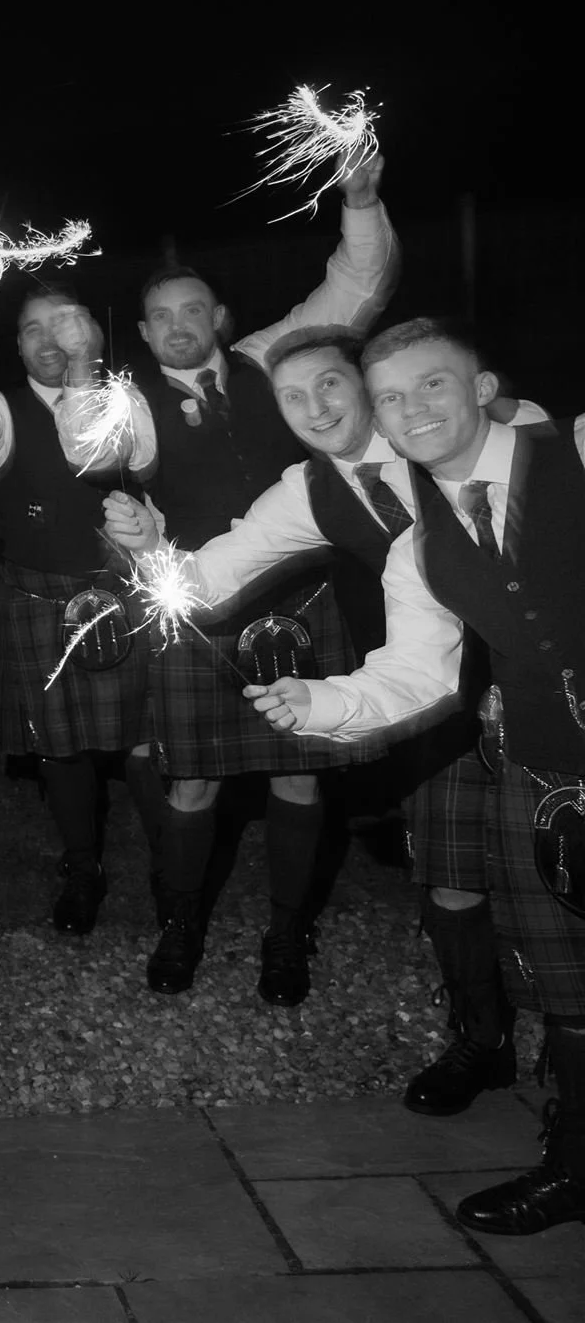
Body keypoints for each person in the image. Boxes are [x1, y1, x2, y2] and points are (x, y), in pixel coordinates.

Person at [105, 329, 547, 1089]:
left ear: (367, 386)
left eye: (332, 385)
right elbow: (207, 580)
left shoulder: (477, 438)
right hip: (431, 686)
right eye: (293, 397)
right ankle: (484, 1038)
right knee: (450, 871)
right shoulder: (307, 489)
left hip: (549, 679)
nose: (316, 407)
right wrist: (150, 547)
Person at [244, 318, 583, 1236]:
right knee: (569, 981)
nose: (412, 409)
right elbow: (416, 673)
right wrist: (316, 702)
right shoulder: (418, 546)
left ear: (483, 387)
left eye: (432, 385)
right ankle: (577, 1159)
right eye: (394, 397)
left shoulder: (577, 449)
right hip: (550, 777)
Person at [128, 154, 399, 1001]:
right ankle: (180, 926)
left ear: (221, 315)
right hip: (199, 613)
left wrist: (359, 201)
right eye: (160, 317)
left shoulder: (270, 357)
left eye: (192, 310)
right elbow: (94, 478)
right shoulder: (124, 405)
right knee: (193, 778)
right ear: (143, 334)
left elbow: (356, 286)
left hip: (300, 603)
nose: (179, 326)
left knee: (299, 771)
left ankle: (287, 935)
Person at [0, 290, 165, 936]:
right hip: (40, 597)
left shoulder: (126, 398)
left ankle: (170, 866)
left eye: (66, 324)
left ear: (90, 329)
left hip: (128, 593)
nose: (49, 339)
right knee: (60, 750)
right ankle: (82, 865)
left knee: (150, 740)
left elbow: (119, 456)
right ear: (19, 345)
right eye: (34, 329)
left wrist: (88, 370)